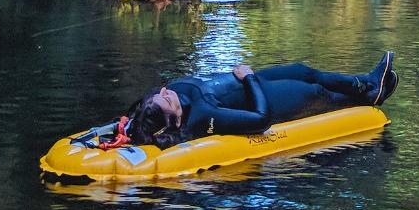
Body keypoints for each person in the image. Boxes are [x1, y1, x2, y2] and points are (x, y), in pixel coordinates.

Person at [106, 53, 398, 149]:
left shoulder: (152, 113)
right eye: (165, 100)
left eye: (163, 93)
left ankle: (367, 83)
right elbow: (261, 120)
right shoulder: (203, 116)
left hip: (249, 82)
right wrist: (248, 78)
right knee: (315, 93)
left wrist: (120, 131)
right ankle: (370, 95)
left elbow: (135, 116)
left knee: (303, 71)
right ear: (175, 119)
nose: (166, 91)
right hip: (259, 94)